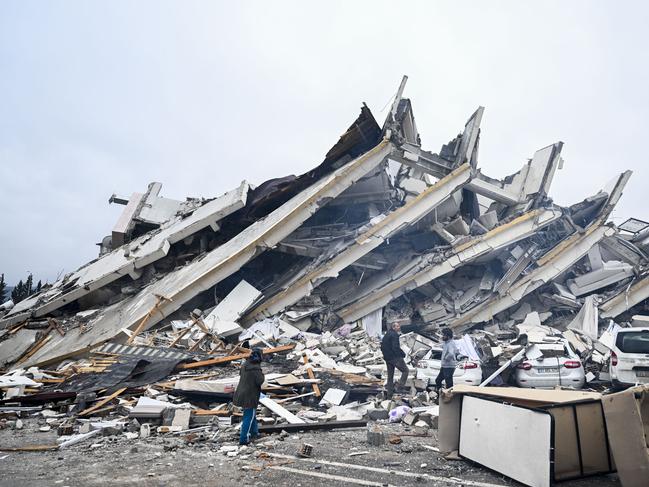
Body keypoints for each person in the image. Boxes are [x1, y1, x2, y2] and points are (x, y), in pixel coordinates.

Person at [233, 348, 265, 445]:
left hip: (241, 393)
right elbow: (260, 381)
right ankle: (244, 439)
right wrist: (262, 374)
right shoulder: (256, 368)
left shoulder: (245, 364)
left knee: (251, 415)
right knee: (248, 416)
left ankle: (254, 433)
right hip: (250, 396)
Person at [381, 321, 409, 396]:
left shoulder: (386, 334)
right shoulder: (394, 335)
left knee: (390, 376)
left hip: (387, 358)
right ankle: (400, 388)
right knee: (405, 371)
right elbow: (395, 347)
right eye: (397, 326)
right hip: (394, 357)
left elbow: (382, 346)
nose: (399, 327)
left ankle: (389, 394)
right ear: (393, 327)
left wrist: (385, 356)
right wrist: (401, 354)